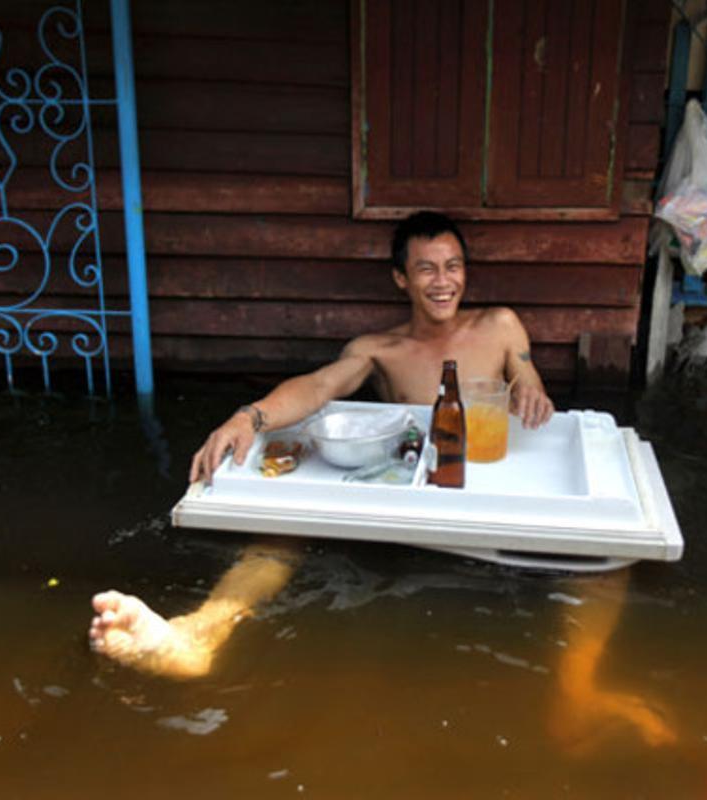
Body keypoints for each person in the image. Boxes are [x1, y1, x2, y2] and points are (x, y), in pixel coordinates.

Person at [89, 211, 555, 678]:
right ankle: (199, 633)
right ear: (401, 278)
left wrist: (533, 394)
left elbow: (526, 381)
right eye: (426, 269)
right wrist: (247, 416)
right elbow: (317, 389)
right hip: (412, 493)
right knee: (282, 531)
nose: (443, 281)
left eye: (453, 266)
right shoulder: (377, 350)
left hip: (486, 486)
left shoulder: (500, 326)